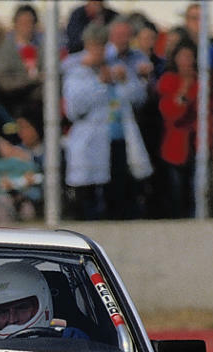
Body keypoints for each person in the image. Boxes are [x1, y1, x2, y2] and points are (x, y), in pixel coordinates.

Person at [62, 23, 152, 221]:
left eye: (102, 46)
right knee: (90, 197)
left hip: (118, 142)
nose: (99, 51)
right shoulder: (77, 71)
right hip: (90, 145)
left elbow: (137, 98)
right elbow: (74, 109)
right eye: (95, 46)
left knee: (119, 195)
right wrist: (99, 84)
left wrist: (126, 79)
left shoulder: (115, 68)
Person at [0, 262, 88, 342]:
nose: (12, 319)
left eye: (21, 308)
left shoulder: (73, 342)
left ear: (44, 306)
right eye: (2, 312)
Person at [158, 41, 199, 219]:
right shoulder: (169, 81)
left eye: (190, 57)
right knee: (177, 192)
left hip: (197, 144)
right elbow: (172, 113)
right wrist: (184, 90)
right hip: (175, 147)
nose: (186, 62)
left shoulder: (203, 81)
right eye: (182, 57)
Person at [0, 4, 44, 118]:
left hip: (39, 108)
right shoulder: (4, 50)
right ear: (15, 24)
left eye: (30, 22)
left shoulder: (41, 49)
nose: (27, 26)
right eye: (23, 22)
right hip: (13, 108)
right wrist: (30, 80)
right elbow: (0, 80)